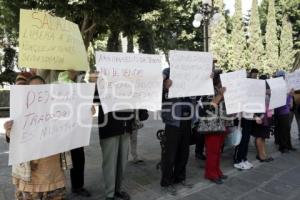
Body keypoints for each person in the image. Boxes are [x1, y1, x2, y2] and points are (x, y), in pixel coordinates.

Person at [5, 76, 68, 200]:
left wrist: (86, 113)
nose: (38, 92)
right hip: (29, 176)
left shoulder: (56, 110)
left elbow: (72, 128)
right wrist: (9, 132)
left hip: (52, 174)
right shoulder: (20, 112)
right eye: (34, 88)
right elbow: (14, 140)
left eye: (41, 88)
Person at [94, 79, 149, 200]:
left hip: (126, 126)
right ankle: (110, 194)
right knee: (110, 163)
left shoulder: (130, 80)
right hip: (109, 127)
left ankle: (118, 189)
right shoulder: (103, 79)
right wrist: (98, 84)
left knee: (122, 161)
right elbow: (95, 99)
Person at [57, 70, 91, 197]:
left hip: (77, 128)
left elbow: (86, 102)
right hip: (59, 128)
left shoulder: (82, 82)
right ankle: (56, 190)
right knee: (57, 160)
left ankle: (78, 186)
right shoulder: (58, 80)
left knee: (78, 158)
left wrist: (89, 107)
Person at [160, 68, 194, 196]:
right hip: (173, 121)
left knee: (184, 152)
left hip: (187, 119)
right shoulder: (167, 72)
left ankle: (179, 178)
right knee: (170, 154)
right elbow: (157, 91)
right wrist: (164, 86)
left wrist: (208, 78)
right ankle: (166, 182)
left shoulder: (191, 73)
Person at [199, 71, 231, 184]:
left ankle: (217, 171)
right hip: (211, 126)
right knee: (212, 152)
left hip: (221, 124)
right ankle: (211, 174)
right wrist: (220, 95)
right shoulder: (208, 91)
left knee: (217, 151)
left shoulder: (220, 90)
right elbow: (210, 107)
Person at [233, 68, 258, 170]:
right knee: (241, 140)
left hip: (249, 118)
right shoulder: (239, 91)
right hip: (242, 118)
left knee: (246, 139)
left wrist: (255, 115)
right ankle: (238, 160)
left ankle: (244, 158)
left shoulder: (250, 90)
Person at [252, 75, 274, 162]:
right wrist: (256, 117)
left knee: (263, 136)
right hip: (260, 117)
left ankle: (263, 154)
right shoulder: (256, 94)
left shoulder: (267, 94)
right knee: (259, 136)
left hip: (266, 117)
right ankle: (261, 155)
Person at [274, 70, 296, 153]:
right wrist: (289, 96)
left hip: (285, 110)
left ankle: (288, 146)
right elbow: (280, 100)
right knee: (283, 129)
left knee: (286, 129)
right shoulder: (277, 86)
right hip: (281, 111)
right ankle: (283, 147)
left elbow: (289, 100)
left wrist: (290, 97)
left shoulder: (285, 85)